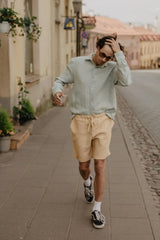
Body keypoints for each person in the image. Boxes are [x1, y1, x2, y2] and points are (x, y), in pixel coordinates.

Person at [52, 33, 132, 229]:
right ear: (96, 48)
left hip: (103, 119)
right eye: (102, 54)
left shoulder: (114, 68)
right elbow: (59, 80)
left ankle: (97, 208)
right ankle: (87, 181)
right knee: (83, 166)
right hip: (80, 120)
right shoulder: (77, 64)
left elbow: (127, 81)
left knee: (101, 165)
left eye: (108, 57)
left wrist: (119, 55)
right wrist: (57, 92)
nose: (104, 60)